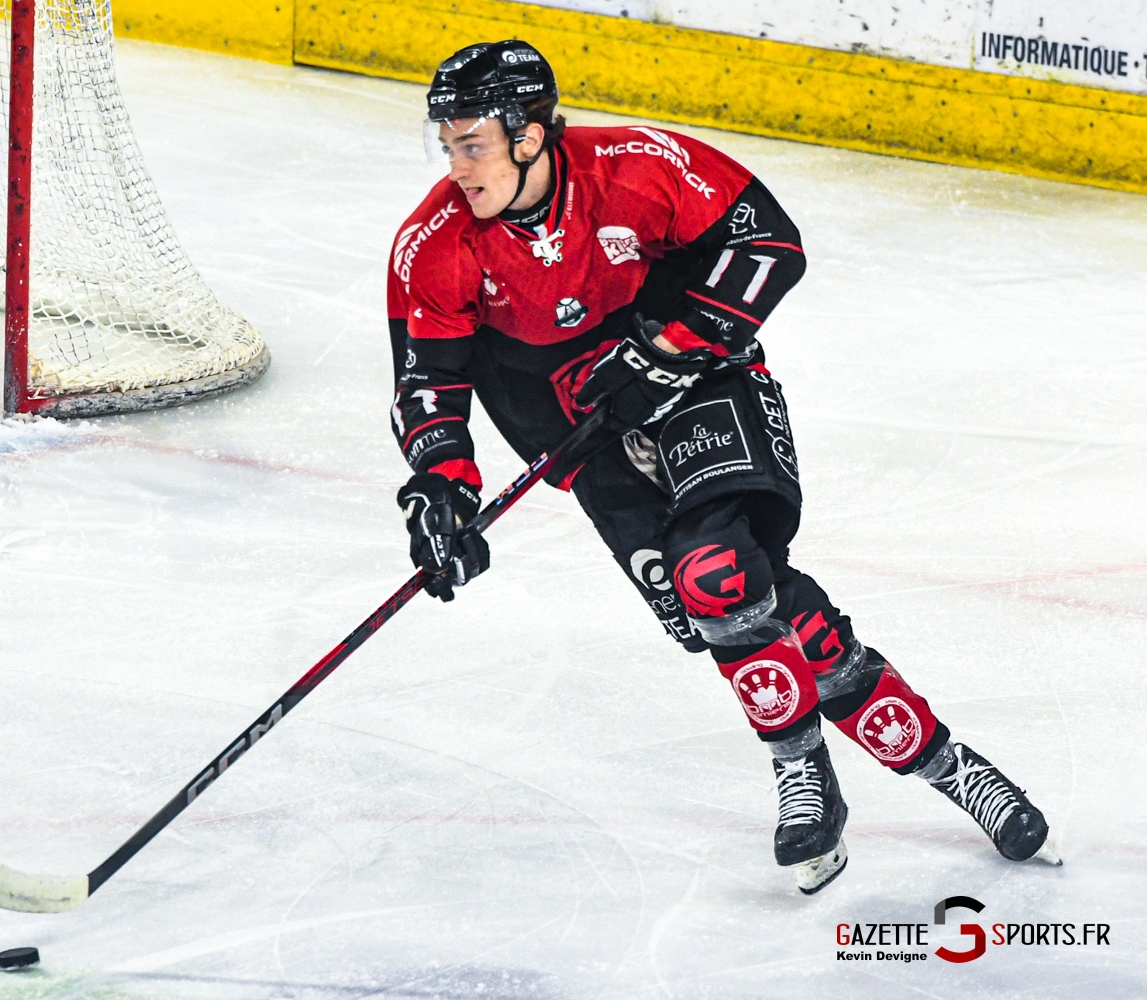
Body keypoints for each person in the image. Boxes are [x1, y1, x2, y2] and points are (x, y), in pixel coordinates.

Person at [387, 39, 1059, 893]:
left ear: (529, 135)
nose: (456, 166)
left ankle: (805, 771)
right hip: (582, 439)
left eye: (471, 142)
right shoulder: (435, 244)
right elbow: (427, 380)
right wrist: (441, 492)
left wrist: (667, 348)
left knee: (717, 573)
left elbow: (770, 242)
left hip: (698, 383)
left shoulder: (636, 168)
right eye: (445, 145)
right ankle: (951, 766)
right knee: (738, 599)